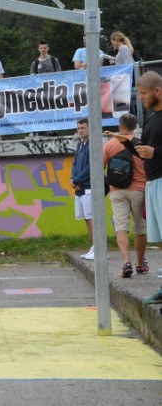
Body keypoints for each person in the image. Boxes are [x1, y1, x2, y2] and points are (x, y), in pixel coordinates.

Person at [110, 72, 162, 304]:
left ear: (157, 91)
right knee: (159, 239)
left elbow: (154, 152)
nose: (140, 98)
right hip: (152, 183)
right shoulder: (151, 118)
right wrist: (127, 142)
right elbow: (144, 151)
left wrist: (157, 153)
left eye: (142, 94)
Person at [103, 114, 147, 278]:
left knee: (121, 226)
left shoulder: (110, 145)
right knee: (140, 228)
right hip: (139, 190)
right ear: (135, 127)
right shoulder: (141, 144)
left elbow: (100, 166)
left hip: (117, 191)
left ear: (120, 127)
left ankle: (126, 262)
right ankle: (140, 264)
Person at [71, 118, 94, 260]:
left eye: (83, 128)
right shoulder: (80, 145)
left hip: (89, 187)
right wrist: (72, 179)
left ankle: (98, 248)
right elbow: (74, 164)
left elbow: (90, 167)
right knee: (86, 218)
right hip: (79, 187)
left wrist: (77, 179)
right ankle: (93, 247)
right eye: (78, 128)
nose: (80, 131)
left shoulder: (93, 145)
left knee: (92, 218)